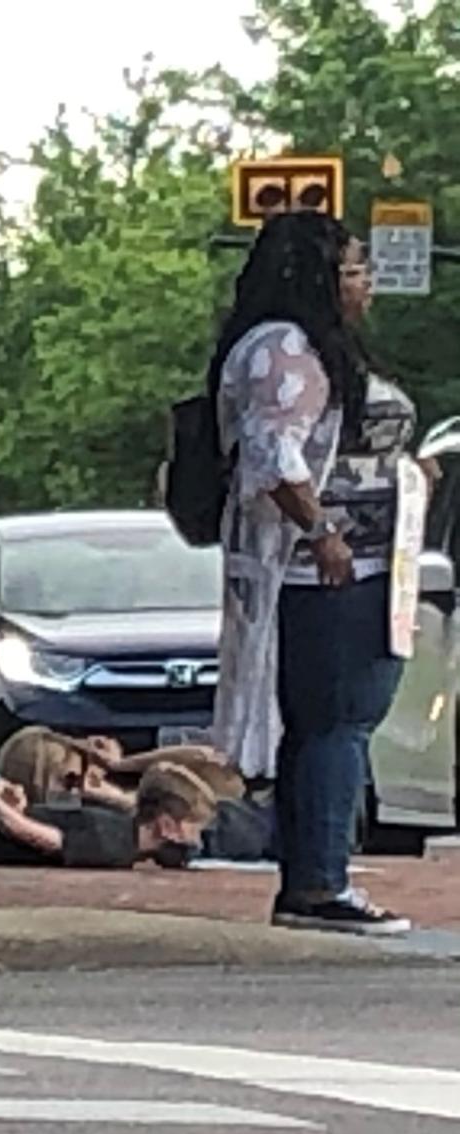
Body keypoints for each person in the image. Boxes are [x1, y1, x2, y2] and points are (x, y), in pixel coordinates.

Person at [210, 211, 411, 935]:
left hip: (346, 566)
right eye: (356, 269)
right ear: (319, 278)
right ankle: (320, 882)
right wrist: (322, 531)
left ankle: (312, 877)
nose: (367, 284)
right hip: (326, 574)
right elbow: (277, 455)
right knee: (337, 721)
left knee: (327, 725)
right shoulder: (287, 348)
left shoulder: (294, 346)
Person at [0, 764, 223, 870]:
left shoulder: (125, 825)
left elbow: (132, 802)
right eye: (193, 828)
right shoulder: (111, 843)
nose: (198, 838)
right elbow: (29, 833)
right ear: (167, 826)